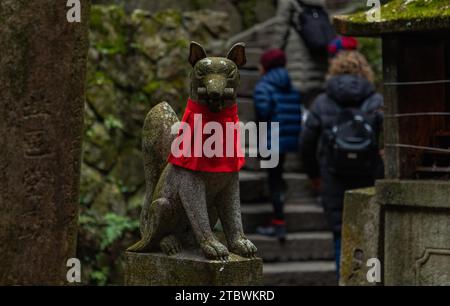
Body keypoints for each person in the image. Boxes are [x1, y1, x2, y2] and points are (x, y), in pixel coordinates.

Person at [301, 50, 384, 275]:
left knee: (340, 234)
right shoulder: (376, 100)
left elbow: (307, 142)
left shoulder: (322, 102)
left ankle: (344, 278)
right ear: (365, 71)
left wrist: (313, 174)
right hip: (369, 177)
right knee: (370, 233)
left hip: (333, 177)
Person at [253, 49, 302, 241]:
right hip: (287, 139)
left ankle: (278, 223)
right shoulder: (289, 84)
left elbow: (262, 114)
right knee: (277, 177)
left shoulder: (263, 86)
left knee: (273, 180)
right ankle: (278, 217)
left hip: (271, 140)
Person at [274, 0, 332, 108]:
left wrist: (272, 55)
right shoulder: (320, 3)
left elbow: (281, 29)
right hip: (319, 59)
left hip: (296, 58)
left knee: (294, 105)